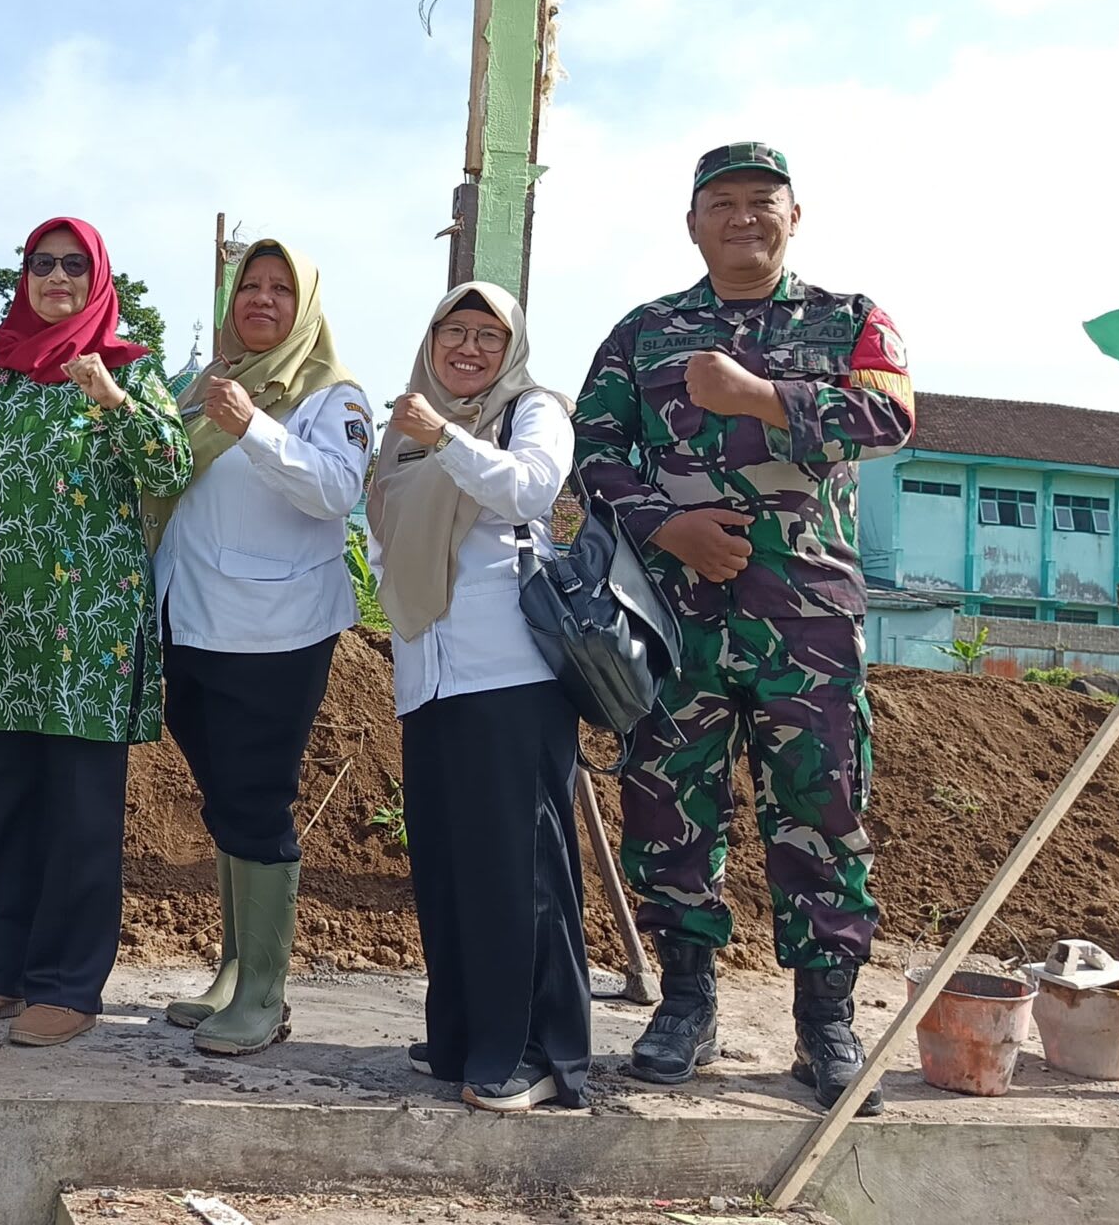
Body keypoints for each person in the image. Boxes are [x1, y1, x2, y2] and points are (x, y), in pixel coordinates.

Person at [573, 142, 914, 1115]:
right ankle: (686, 1004)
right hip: (677, 610)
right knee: (669, 807)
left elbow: (891, 417)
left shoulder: (847, 320)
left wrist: (762, 398)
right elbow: (592, 448)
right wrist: (662, 524)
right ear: (692, 224)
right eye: (720, 204)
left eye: (760, 202)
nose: (741, 218)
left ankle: (825, 1023)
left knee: (820, 807)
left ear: (794, 216)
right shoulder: (645, 332)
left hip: (805, 615)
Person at [0, 217, 191, 1049]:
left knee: (80, 815)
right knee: (7, 809)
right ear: (25, 276)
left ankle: (68, 984)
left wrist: (109, 399)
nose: (59, 278)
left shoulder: (130, 372)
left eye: (76, 266)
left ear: (98, 277)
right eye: (44, 265)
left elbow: (170, 469)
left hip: (89, 631)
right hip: (1, 626)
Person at [366, 282, 592, 1113]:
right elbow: (384, 529)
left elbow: (530, 490)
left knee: (519, 871)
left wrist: (448, 437)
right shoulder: (406, 429)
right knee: (450, 864)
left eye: (486, 336)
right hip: (428, 672)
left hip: (509, 673)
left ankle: (535, 1048)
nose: (467, 347)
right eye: (452, 331)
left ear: (511, 347)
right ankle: (465, 1031)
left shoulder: (532, 409)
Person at [148, 241, 372, 1056]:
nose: (263, 301)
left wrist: (255, 429)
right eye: (251, 286)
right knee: (223, 802)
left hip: (275, 633)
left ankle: (267, 997)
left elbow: (337, 491)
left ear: (305, 306)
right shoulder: (200, 389)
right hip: (190, 622)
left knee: (257, 799)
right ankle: (234, 972)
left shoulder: (328, 395)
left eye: (282, 289)